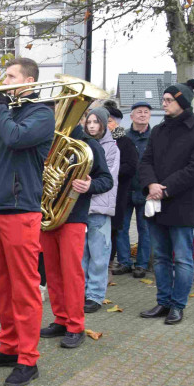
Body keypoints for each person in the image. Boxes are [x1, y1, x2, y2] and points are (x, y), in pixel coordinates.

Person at [0, 57, 55, 386]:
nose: (3, 81)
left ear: (29, 81)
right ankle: (9, 346)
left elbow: (16, 139)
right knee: (1, 284)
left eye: (10, 76)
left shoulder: (41, 114)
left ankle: (28, 359)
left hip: (21, 211)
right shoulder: (5, 116)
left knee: (25, 288)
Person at [138, 82, 194, 325]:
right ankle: (164, 301)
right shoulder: (159, 130)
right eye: (164, 99)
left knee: (182, 258)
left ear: (182, 102)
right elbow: (146, 161)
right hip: (156, 201)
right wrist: (151, 184)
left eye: (169, 99)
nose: (164, 103)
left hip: (180, 203)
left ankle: (178, 305)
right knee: (160, 257)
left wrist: (165, 189)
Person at [38, 108, 112, 349]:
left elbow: (106, 179)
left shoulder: (88, 144)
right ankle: (60, 319)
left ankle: (75, 325)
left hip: (73, 215)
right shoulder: (49, 139)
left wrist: (89, 185)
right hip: (48, 214)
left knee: (71, 272)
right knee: (53, 271)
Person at [80, 107, 118, 316]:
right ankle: (82, 291)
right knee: (82, 254)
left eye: (96, 122)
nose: (92, 126)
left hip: (100, 207)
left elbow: (108, 179)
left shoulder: (112, 148)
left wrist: (87, 187)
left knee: (99, 254)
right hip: (82, 207)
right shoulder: (82, 144)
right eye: (89, 122)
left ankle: (95, 295)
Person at [112, 100, 152, 278]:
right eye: (139, 112)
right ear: (131, 116)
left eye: (146, 112)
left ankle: (142, 264)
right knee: (122, 226)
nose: (142, 114)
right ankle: (124, 262)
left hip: (145, 190)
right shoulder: (123, 135)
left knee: (145, 229)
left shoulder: (155, 137)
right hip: (125, 189)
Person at [105, 103, 138, 268]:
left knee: (113, 230)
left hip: (117, 194)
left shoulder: (125, 142)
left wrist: (110, 170)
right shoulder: (97, 140)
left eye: (110, 121)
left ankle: (110, 264)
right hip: (100, 194)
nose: (106, 125)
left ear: (116, 123)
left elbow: (131, 167)